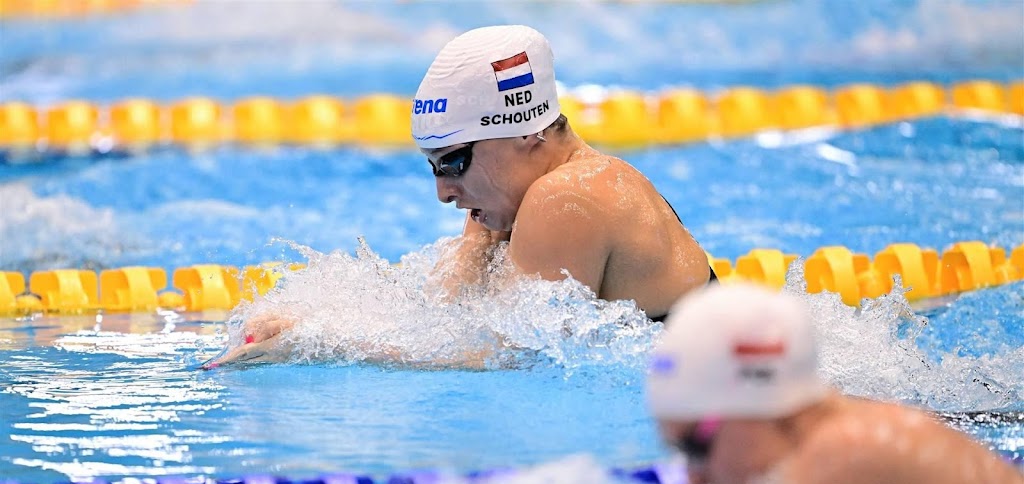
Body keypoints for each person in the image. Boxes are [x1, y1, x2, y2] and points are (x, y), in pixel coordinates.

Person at [205, 25, 711, 369]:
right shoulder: (515, 198)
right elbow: (446, 319)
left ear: (524, 132)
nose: (444, 192)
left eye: (454, 162)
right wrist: (309, 322)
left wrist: (312, 348)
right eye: (433, 166)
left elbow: (503, 356)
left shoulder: (569, 196)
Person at [645, 282, 1024, 484]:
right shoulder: (831, 427)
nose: (692, 479)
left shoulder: (849, 456)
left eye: (696, 447)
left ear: (765, 408)